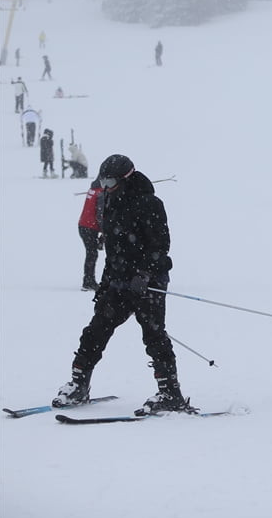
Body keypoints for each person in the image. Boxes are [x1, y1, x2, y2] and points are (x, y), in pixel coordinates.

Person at [52, 154, 194, 415]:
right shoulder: (110, 201)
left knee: (154, 335)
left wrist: (143, 274)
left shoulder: (150, 203)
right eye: (102, 181)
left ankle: (170, 393)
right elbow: (114, 251)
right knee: (95, 330)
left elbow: (160, 245)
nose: (104, 187)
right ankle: (79, 384)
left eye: (109, 181)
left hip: (148, 281)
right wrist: (106, 284)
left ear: (126, 178)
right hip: (118, 280)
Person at [78, 178, 104, 290]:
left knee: (91, 253)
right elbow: (100, 215)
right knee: (92, 254)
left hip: (84, 226)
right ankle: (88, 282)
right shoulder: (101, 193)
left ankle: (89, 280)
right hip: (89, 227)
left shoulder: (93, 189)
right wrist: (104, 232)